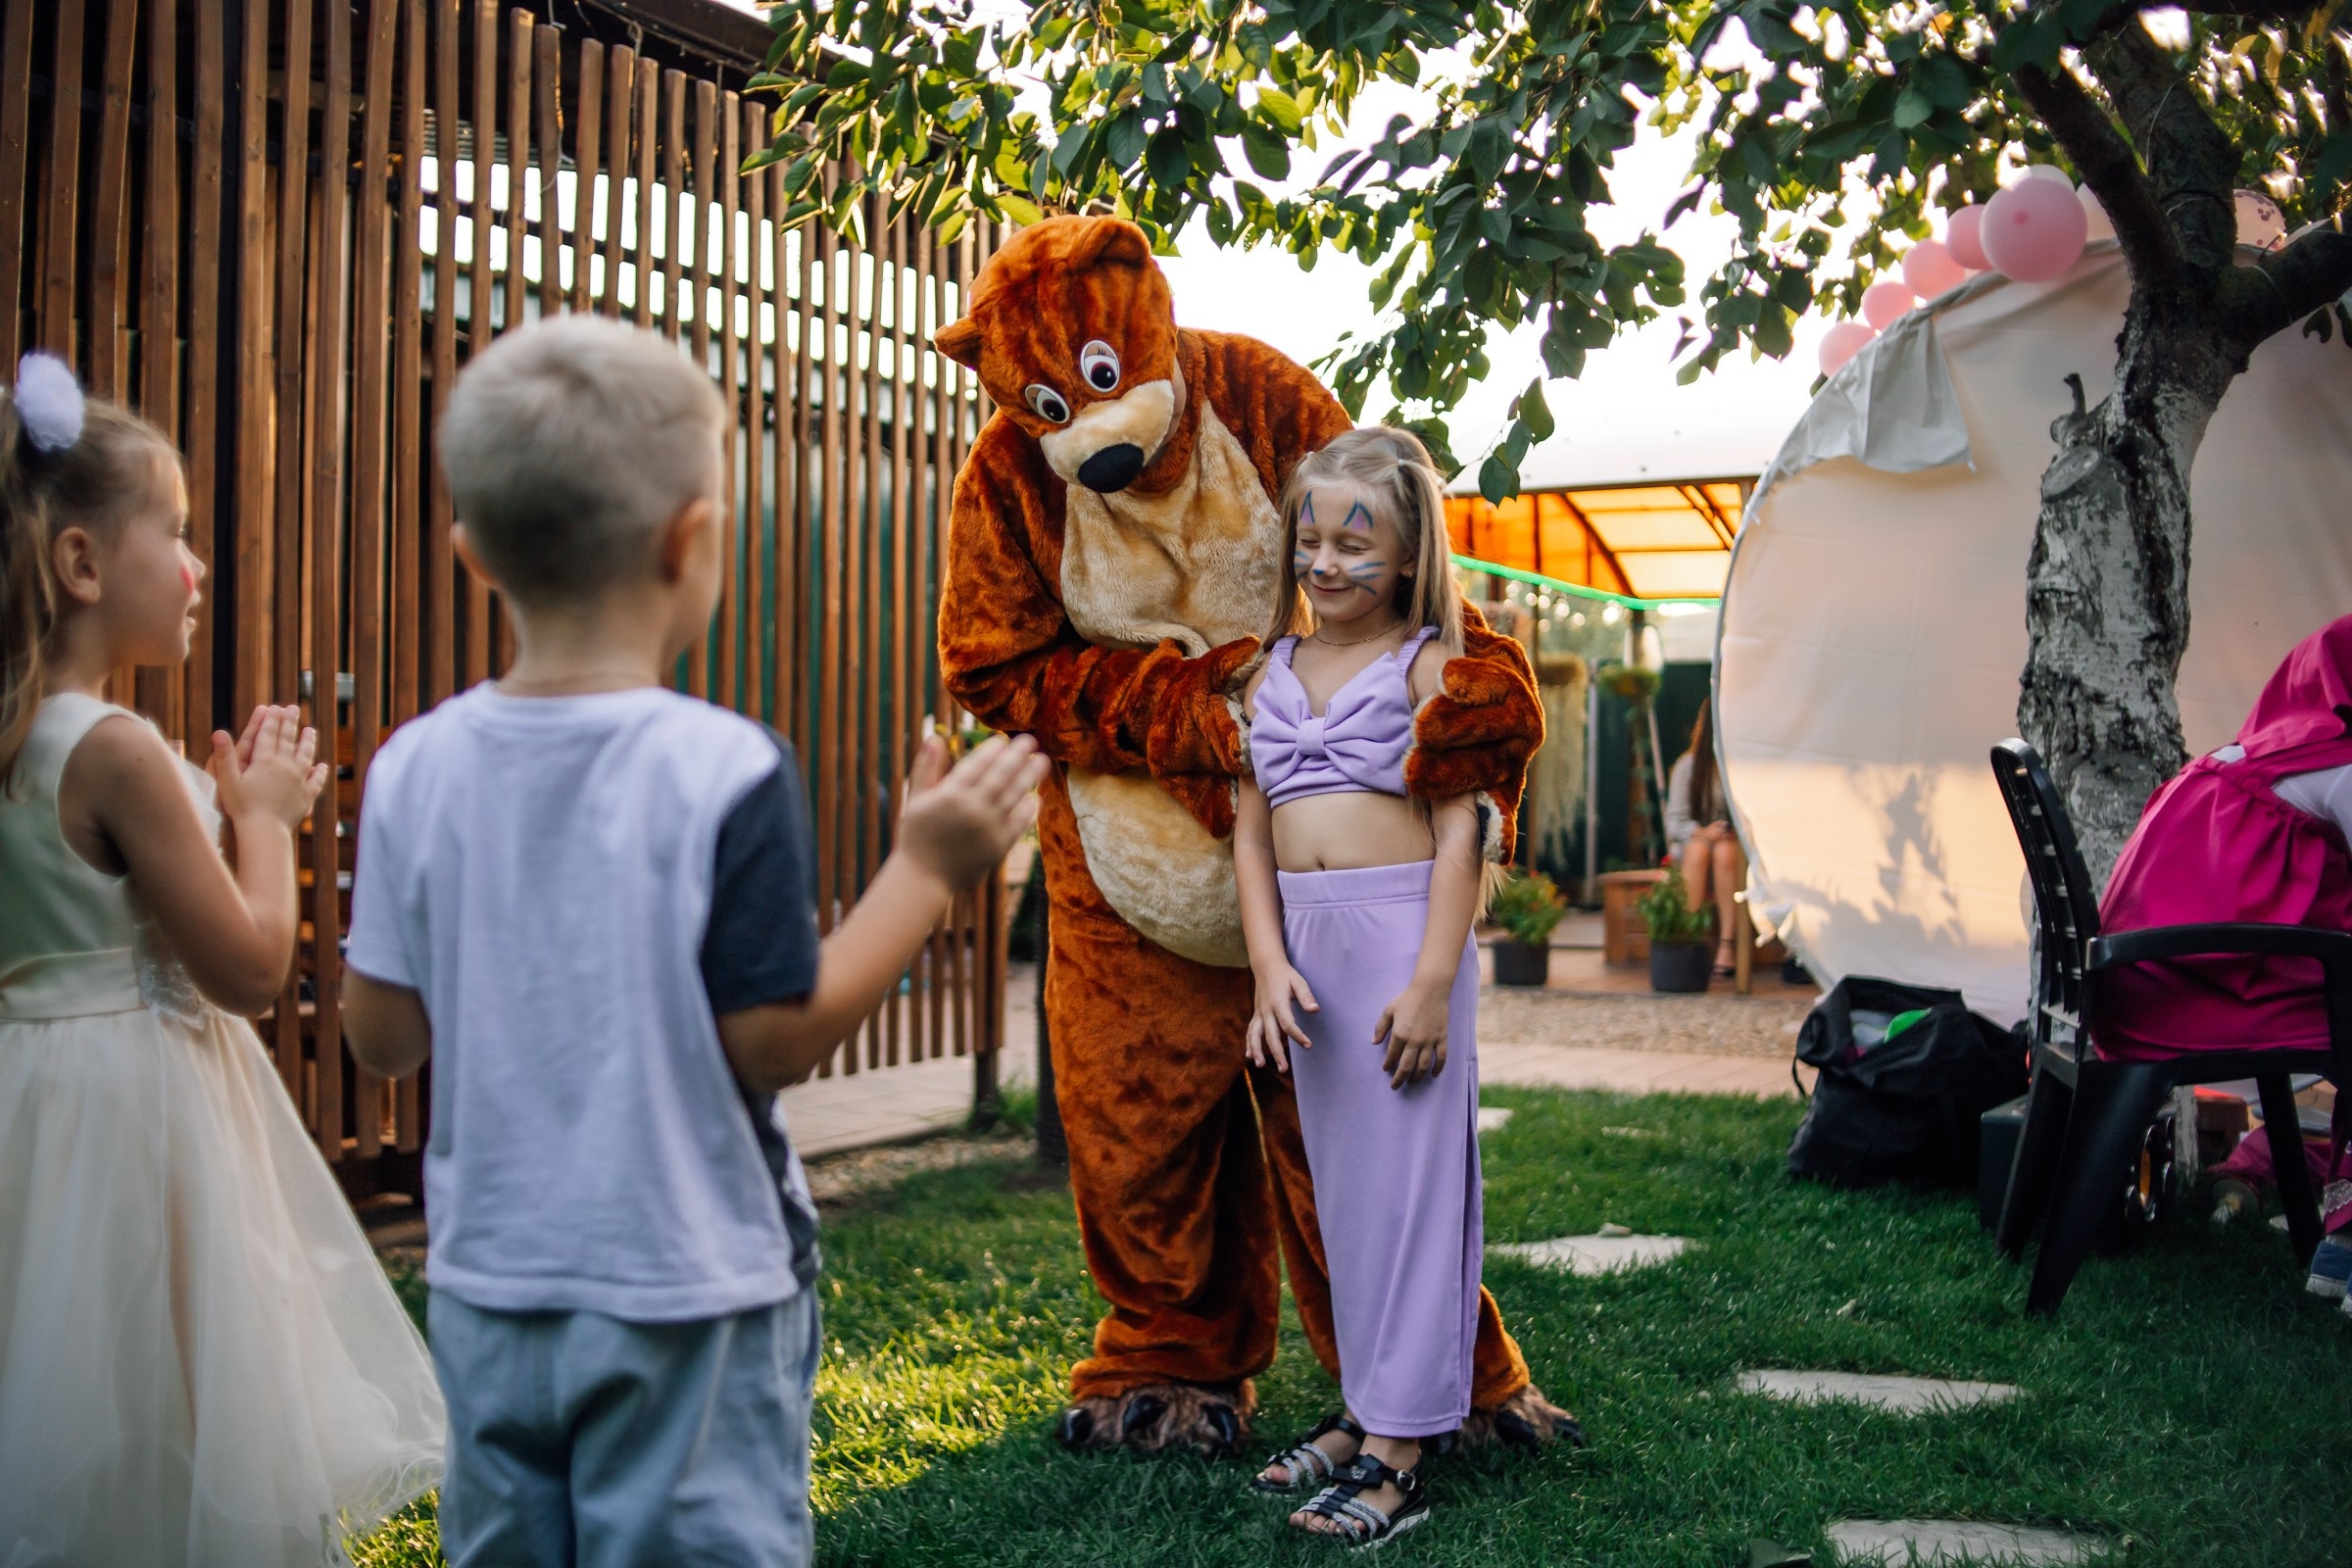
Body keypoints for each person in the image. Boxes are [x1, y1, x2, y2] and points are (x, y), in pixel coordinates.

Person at [338, 316, 1044, 1567]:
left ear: (472, 555)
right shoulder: (725, 767)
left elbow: (383, 1039)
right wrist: (926, 872)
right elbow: (774, 1041)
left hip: (489, 1287)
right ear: (694, 541)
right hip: (691, 1295)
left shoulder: (410, 769)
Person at [0, 354, 444, 1565]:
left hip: (32, 1106)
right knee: (172, 1391)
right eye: (176, 534)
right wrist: (263, 819)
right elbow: (248, 969)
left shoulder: (19, 738)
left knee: (60, 1384)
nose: (198, 567)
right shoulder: (115, 750)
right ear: (83, 564)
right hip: (143, 1116)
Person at [1232, 426, 1496, 1546]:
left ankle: (1401, 1453)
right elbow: (1245, 831)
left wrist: (1435, 978)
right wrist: (1265, 967)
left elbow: (1465, 826)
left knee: (1416, 1195)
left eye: (1358, 540)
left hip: (1404, 947)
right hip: (1309, 960)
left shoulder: (1434, 666)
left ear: (1405, 554)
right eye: (1312, 535)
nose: (1328, 561)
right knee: (1343, 1196)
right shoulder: (1267, 671)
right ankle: (1364, 1411)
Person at [2099, 612, 2352, 1311]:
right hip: (2184, 995)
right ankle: (2345, 1239)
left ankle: (2338, 1235)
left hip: (2144, 986)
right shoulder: (2342, 768)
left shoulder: (2270, 750)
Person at [1665, 699, 1742, 975]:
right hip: (1693, 852)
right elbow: (1675, 823)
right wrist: (1704, 833)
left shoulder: (1741, 767)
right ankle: (1689, 938)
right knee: (1699, 850)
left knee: (1725, 851)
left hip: (1730, 855)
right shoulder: (1688, 766)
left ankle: (1727, 945)